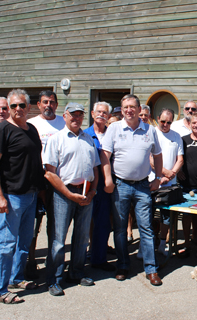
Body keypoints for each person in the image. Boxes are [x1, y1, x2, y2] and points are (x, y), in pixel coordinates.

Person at [0, 89, 44, 304]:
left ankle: (15, 278)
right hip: (12, 196)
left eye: (21, 105)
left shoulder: (31, 129)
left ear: (29, 107)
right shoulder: (2, 130)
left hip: (30, 195)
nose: (17, 109)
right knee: (6, 242)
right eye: (13, 106)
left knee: (23, 241)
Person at [100, 94, 163, 286]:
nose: (129, 110)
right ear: (122, 109)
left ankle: (151, 269)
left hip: (143, 185)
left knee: (146, 227)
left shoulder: (149, 130)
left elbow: (158, 155)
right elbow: (105, 155)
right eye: (125, 107)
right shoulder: (114, 128)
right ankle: (123, 265)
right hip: (120, 185)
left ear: (138, 109)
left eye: (132, 107)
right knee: (120, 228)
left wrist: (158, 178)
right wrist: (108, 179)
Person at [43, 102, 100, 296]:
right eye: (72, 115)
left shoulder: (88, 139)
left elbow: (95, 169)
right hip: (63, 194)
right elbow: (50, 173)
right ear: (65, 116)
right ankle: (55, 279)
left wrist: (92, 192)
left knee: (82, 237)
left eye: (80, 115)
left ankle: (76, 272)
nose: (76, 118)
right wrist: (68, 194)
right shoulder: (56, 139)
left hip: (85, 193)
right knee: (58, 239)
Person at [26, 90, 65, 278]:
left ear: (56, 105)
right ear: (38, 105)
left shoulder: (63, 124)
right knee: (34, 223)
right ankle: (31, 260)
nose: (48, 105)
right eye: (45, 102)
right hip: (36, 179)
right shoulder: (31, 124)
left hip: (57, 179)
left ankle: (54, 261)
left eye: (52, 102)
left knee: (56, 223)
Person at [84, 101, 115, 272]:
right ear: (92, 113)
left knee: (103, 223)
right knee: (84, 222)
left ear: (109, 116)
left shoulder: (112, 134)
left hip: (108, 184)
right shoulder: (85, 134)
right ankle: (80, 259)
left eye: (105, 113)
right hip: (88, 184)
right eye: (99, 112)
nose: (101, 115)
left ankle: (99, 258)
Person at [151, 108, 184, 256]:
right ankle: (149, 244)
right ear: (158, 118)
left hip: (170, 184)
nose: (165, 124)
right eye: (162, 121)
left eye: (168, 122)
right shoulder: (151, 133)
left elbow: (180, 159)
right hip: (152, 182)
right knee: (149, 215)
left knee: (166, 216)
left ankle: (163, 243)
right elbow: (150, 159)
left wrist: (171, 175)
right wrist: (163, 173)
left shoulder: (176, 136)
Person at [177, 113, 197, 254]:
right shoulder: (183, 140)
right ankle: (187, 241)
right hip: (186, 183)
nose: (196, 125)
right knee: (187, 214)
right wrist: (178, 172)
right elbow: (176, 157)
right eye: (193, 123)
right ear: (189, 125)